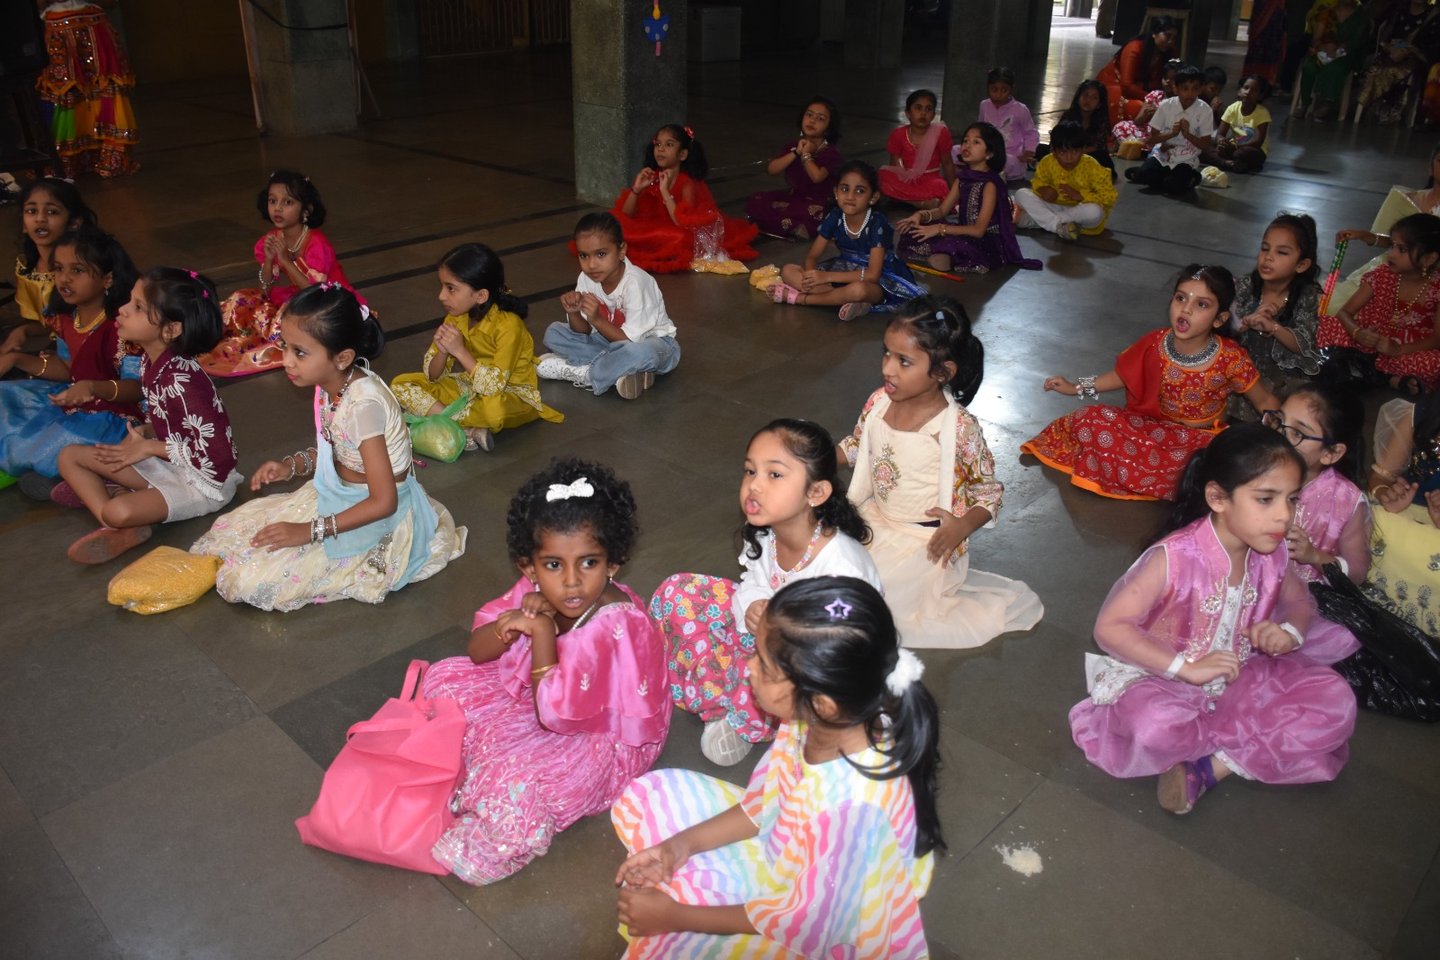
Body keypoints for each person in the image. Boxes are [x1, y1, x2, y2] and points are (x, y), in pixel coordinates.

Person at [613, 576, 941, 958]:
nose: (748, 668)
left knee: (668, 946)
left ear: (821, 702)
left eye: (765, 667)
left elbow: (809, 924)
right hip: (790, 858)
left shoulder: (852, 808)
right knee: (651, 792)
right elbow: (765, 804)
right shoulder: (811, 719)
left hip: (827, 926)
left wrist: (677, 916)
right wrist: (678, 847)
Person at [1068, 424, 1357, 815]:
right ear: (1218, 498)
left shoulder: (1272, 552)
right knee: (1153, 726)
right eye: (1266, 499)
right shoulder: (1173, 557)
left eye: (1292, 499)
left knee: (1336, 700)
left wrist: (1289, 631)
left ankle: (1211, 767)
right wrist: (1186, 668)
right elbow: (1110, 627)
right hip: (1163, 678)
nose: (1284, 516)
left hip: (1243, 675)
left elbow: (1299, 602)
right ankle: (1247, 742)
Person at [420, 458, 669, 884]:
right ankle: (480, 760)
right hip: (541, 694)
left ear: (613, 563)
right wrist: (515, 620)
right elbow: (477, 651)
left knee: (512, 778)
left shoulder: (617, 623)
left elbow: (552, 715)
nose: (571, 582)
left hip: (597, 736)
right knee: (444, 677)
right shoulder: (537, 587)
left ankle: (486, 776)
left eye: (588, 563)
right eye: (554, 565)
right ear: (529, 567)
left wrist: (540, 631)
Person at [191, 284, 465, 610]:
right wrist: (290, 467)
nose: (286, 361)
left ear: (343, 357)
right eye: (285, 346)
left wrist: (309, 531)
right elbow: (338, 448)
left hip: (376, 515)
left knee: (253, 580)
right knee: (236, 536)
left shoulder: (364, 407)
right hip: (339, 492)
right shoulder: (331, 384)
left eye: (300, 353)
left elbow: (384, 501)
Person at [651, 418, 882, 767]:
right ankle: (719, 697)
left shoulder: (842, 569)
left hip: (813, 661)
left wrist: (778, 636)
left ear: (816, 493)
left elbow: (842, 653)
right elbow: (753, 580)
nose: (754, 485)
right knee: (676, 592)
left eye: (774, 475)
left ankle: (745, 720)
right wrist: (753, 604)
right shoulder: (767, 532)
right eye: (750, 471)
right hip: (765, 635)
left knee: (767, 676)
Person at [840, 296, 1043, 648]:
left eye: (904, 361)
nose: (888, 369)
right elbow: (858, 444)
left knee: (864, 604)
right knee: (815, 566)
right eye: (886, 353)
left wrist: (961, 527)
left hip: (922, 546)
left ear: (942, 372)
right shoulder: (878, 402)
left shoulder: (958, 428)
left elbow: (988, 493)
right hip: (873, 521)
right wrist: (813, 460)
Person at [1023, 265, 1278, 501]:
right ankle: (1162, 479)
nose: (1186, 310)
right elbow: (1122, 375)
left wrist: (1284, 433)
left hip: (1200, 442)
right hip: (1152, 432)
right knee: (1089, 419)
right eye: (1181, 298)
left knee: (1214, 463)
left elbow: (1265, 400)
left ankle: (1152, 476)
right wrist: (1075, 387)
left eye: (1201, 304)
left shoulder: (1231, 357)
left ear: (1219, 319)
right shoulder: (1155, 342)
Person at [57, 268, 241, 564]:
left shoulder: (184, 382)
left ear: (171, 329)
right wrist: (147, 432)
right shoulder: (150, 361)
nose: (123, 309)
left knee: (116, 512)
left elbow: (219, 456)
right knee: (69, 456)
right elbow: (171, 422)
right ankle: (122, 500)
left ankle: (121, 519)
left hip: (205, 484)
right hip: (171, 464)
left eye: (138, 307)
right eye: (130, 301)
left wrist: (150, 448)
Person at [0, 227, 139, 496]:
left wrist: (93, 388)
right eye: (58, 269)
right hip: (74, 396)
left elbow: (138, 388)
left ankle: (65, 475)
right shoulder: (66, 317)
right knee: (5, 398)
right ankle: (52, 474)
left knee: (63, 437)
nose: (64, 279)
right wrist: (17, 359)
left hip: (116, 412)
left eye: (77, 270)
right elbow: (68, 369)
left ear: (107, 279)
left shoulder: (123, 326)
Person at [390, 243, 562, 453]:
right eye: (442, 287)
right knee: (401, 384)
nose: (441, 296)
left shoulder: (509, 326)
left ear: (480, 296)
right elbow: (433, 376)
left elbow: (494, 387)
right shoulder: (455, 317)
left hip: (511, 394)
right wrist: (443, 351)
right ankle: (464, 429)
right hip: (470, 386)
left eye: (451, 288)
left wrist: (460, 351)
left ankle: (445, 420)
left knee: (493, 412)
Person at [199, 170, 371, 378]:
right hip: (300, 295)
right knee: (241, 299)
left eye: (288, 202)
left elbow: (316, 291)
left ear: (306, 210)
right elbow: (264, 289)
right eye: (273, 201)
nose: (278, 208)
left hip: (328, 301)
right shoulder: (274, 237)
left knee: (286, 319)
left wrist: (285, 261)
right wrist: (269, 259)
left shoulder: (316, 244)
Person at [1262, 385, 1369, 665]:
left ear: (1331, 453)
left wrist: (1314, 556)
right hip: (1248, 588)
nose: (1280, 436)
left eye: (1297, 433)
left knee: (1346, 634)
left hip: (1305, 603)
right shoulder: (1252, 470)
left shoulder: (1346, 499)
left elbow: (1358, 571)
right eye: (1279, 421)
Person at [537, 213, 679, 400]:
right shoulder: (586, 278)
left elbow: (629, 341)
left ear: (621, 251)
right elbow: (584, 331)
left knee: (639, 353)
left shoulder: (636, 283)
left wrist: (597, 319)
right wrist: (574, 313)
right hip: (606, 342)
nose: (591, 265)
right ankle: (617, 369)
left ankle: (587, 374)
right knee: (554, 332)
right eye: (583, 256)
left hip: (654, 344)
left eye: (601, 254)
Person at [769, 161, 926, 321]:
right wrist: (811, 278)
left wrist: (826, 278)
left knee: (859, 290)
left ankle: (802, 299)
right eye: (845, 189)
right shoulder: (835, 216)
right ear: (836, 192)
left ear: (873, 197)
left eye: (860, 191)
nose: (850, 197)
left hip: (880, 279)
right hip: (842, 270)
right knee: (788, 270)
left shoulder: (877, 223)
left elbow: (872, 275)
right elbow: (812, 256)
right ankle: (843, 299)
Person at [1317, 212, 1440, 395]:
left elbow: (1436, 339)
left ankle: (1363, 371)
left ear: (1428, 259)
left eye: (1402, 249)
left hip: (1404, 351)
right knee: (1321, 325)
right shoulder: (1382, 275)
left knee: (1434, 362)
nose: (1391, 253)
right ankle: (1387, 378)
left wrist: (1398, 350)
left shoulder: (1437, 287)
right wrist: (1358, 333)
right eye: (1392, 245)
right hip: (1364, 342)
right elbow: (1344, 313)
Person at [895, 123, 1041, 274]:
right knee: (913, 231)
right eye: (965, 141)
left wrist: (939, 229)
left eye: (976, 142)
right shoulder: (962, 179)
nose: (967, 145)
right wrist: (920, 216)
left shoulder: (990, 184)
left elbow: (978, 231)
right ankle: (942, 255)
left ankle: (943, 256)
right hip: (962, 232)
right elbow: (942, 211)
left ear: (989, 153)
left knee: (956, 245)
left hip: (985, 239)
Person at [612, 124, 758, 273]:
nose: (661, 149)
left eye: (669, 144)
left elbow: (681, 222)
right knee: (616, 227)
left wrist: (664, 191)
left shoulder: (687, 183)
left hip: (679, 231)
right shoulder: (651, 177)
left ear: (682, 154)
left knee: (678, 238)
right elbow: (626, 214)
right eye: (658, 144)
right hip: (653, 227)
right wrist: (636, 190)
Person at [1225, 213, 1323, 422]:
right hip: (1243, 369)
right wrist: (1246, 323)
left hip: (1282, 377)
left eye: (1282, 252)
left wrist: (1273, 327)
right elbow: (1223, 328)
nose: (1268, 257)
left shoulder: (1307, 295)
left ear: (1301, 265)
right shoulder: (1244, 286)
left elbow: (1305, 344)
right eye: (1265, 248)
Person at [36, 1, 139, 178]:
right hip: (70, 25)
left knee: (99, 84)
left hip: (85, 23)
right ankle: (85, 160)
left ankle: (97, 159)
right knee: (68, 88)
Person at [1331, 142, 1440, 307]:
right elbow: (1390, 240)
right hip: (1395, 269)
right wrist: (1363, 235)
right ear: (1430, 167)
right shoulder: (1405, 199)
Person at [1369, 391, 1440, 637]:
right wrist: (1387, 495)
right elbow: (1380, 477)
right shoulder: (1421, 415)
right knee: (1369, 525)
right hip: (1404, 514)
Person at [2, 177, 96, 357]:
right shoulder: (28, 270)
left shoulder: (89, 268)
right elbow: (51, 324)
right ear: (24, 224)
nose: (40, 219)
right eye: (31, 211)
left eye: (52, 212)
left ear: (74, 223)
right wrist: (22, 331)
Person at [744, 97, 843, 241]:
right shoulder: (793, 146)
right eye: (809, 115)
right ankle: (791, 226)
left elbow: (817, 177)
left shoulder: (831, 153)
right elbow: (772, 170)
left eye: (820, 118)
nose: (812, 120)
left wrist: (806, 155)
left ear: (829, 128)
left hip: (818, 203)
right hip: (794, 198)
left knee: (810, 213)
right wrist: (796, 152)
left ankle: (784, 225)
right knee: (756, 200)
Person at [1014, 120, 1119, 241]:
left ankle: (1045, 222)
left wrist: (1081, 196)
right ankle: (1058, 226)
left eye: (1075, 151)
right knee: (1021, 194)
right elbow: (1038, 182)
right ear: (1053, 151)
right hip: (1053, 206)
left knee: (1095, 212)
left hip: (1080, 212)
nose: (1069, 158)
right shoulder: (1047, 162)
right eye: (1063, 152)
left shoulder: (1092, 166)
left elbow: (1109, 197)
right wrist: (1042, 189)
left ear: (1083, 149)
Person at [1123, 64, 1216, 196]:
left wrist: (1188, 135)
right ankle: (1155, 175)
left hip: (1186, 159)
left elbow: (1206, 144)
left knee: (1174, 186)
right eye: (1185, 88)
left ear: (1201, 89)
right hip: (1162, 155)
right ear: (1175, 88)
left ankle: (1190, 177)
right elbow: (1151, 140)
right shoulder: (1166, 105)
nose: (1190, 93)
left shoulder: (1205, 110)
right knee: (1145, 176)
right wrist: (1171, 134)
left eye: (1195, 89)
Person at [1356, 0, 1440, 125]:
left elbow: (1429, 46)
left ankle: (1393, 108)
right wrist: (1391, 47)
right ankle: (1375, 105)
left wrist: (1408, 50)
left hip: (1415, 59)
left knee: (1400, 72)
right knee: (1377, 70)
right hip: (1389, 53)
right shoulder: (1397, 11)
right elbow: (1382, 36)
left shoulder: (1433, 17)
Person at [877, 89, 955, 208]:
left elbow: (947, 163)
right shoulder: (898, 134)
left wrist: (954, 193)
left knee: (940, 185)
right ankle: (918, 203)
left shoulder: (940, 133)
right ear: (908, 113)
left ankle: (904, 199)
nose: (923, 113)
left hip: (930, 181)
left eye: (928, 109)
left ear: (934, 115)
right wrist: (901, 180)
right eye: (918, 108)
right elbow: (894, 166)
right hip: (906, 179)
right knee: (884, 177)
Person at [1097, 16, 1180, 126]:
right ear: (1154, 33)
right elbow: (1127, 86)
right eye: (1167, 35)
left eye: (1174, 38)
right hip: (1115, 85)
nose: (1171, 41)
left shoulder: (1170, 51)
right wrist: (1152, 99)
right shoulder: (1134, 48)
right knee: (1138, 108)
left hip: (1145, 91)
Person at [1297, 0, 1372, 121]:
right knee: (1310, 66)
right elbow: (1316, 39)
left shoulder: (1361, 16)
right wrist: (1324, 47)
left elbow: (1358, 42)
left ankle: (1327, 103)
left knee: (1335, 67)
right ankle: (1305, 104)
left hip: (1347, 55)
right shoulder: (1326, 13)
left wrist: (1339, 49)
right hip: (1324, 52)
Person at [1035, 79, 1116, 178]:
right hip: (1066, 152)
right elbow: (1058, 136)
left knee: (1103, 158)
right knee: (1040, 148)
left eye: (1094, 98)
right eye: (1085, 95)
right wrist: (1059, 151)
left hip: (1087, 155)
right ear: (1078, 97)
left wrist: (1076, 154)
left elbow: (1097, 145)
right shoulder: (1068, 115)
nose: (1088, 100)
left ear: (1099, 104)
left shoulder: (1101, 120)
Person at [1200, 75, 1273, 174]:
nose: (1248, 92)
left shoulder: (1262, 113)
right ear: (1239, 91)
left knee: (1242, 153)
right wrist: (1221, 141)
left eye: (1254, 91)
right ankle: (1228, 163)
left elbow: (1258, 142)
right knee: (1204, 146)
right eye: (1246, 88)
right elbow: (1220, 133)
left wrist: (1235, 146)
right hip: (1233, 147)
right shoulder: (1232, 108)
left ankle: (1225, 161)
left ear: (1260, 96)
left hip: (1253, 150)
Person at [976, 66, 1037, 182]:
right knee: (956, 151)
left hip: (1011, 158)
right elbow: (979, 129)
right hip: (988, 153)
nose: (998, 94)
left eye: (1004, 90)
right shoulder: (984, 105)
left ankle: (989, 177)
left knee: (1002, 161)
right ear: (988, 88)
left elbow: (1031, 133)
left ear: (1011, 90)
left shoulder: (1020, 109)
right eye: (994, 90)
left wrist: (1028, 152)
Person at [1111, 58, 1180, 145]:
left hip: (1164, 135)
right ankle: (1136, 146)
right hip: (1146, 132)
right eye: (1165, 78)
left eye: (1173, 79)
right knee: (1120, 126)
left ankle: (1137, 146)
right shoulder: (1155, 95)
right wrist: (1145, 115)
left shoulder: (1182, 100)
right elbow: (1137, 121)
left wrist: (1158, 115)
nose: (1168, 81)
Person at [1242, 0, 1289, 87]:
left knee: (1267, 51)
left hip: (1273, 29)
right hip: (1266, 28)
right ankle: (1255, 78)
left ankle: (1264, 79)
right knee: (1258, 50)